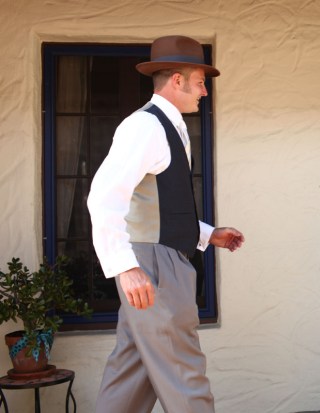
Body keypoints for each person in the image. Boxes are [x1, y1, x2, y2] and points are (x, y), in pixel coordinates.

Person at [87, 35, 244, 413]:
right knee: (185, 376)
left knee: (130, 378)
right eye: (200, 82)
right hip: (155, 267)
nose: (204, 92)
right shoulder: (145, 126)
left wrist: (207, 234)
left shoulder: (169, 126)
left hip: (157, 260)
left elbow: (157, 205)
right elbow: (103, 197)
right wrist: (125, 267)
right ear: (177, 80)